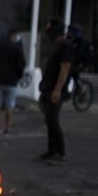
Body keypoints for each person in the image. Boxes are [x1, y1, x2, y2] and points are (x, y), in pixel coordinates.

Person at [37, 19, 75, 165]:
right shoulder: (56, 46)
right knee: (49, 120)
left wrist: (57, 90)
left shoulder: (66, 46)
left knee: (53, 120)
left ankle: (60, 152)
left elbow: (64, 70)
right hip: (48, 89)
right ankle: (51, 151)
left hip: (55, 90)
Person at [0, 29, 26, 135]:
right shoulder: (17, 49)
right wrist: (18, 76)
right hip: (11, 81)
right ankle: (7, 128)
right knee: (10, 104)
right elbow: (21, 65)